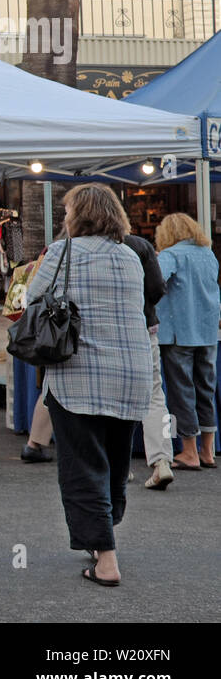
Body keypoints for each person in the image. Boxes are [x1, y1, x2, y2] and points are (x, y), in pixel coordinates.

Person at [26, 184, 153, 586]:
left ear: (78, 215)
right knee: (114, 465)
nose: (64, 217)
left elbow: (32, 297)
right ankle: (103, 533)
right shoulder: (130, 256)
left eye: (66, 211)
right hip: (132, 374)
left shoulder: (63, 252)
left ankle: (107, 559)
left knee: (82, 466)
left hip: (80, 374)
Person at [155, 212, 220, 471]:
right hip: (207, 331)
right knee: (206, 389)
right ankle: (208, 450)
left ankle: (189, 451)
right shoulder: (208, 254)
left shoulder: (170, 255)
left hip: (178, 331)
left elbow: (156, 282)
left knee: (182, 391)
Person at [121, 232, 172, 489]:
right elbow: (157, 288)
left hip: (110, 333)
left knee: (115, 399)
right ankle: (162, 460)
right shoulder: (140, 245)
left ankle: (119, 464)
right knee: (155, 395)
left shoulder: (86, 245)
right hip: (145, 327)